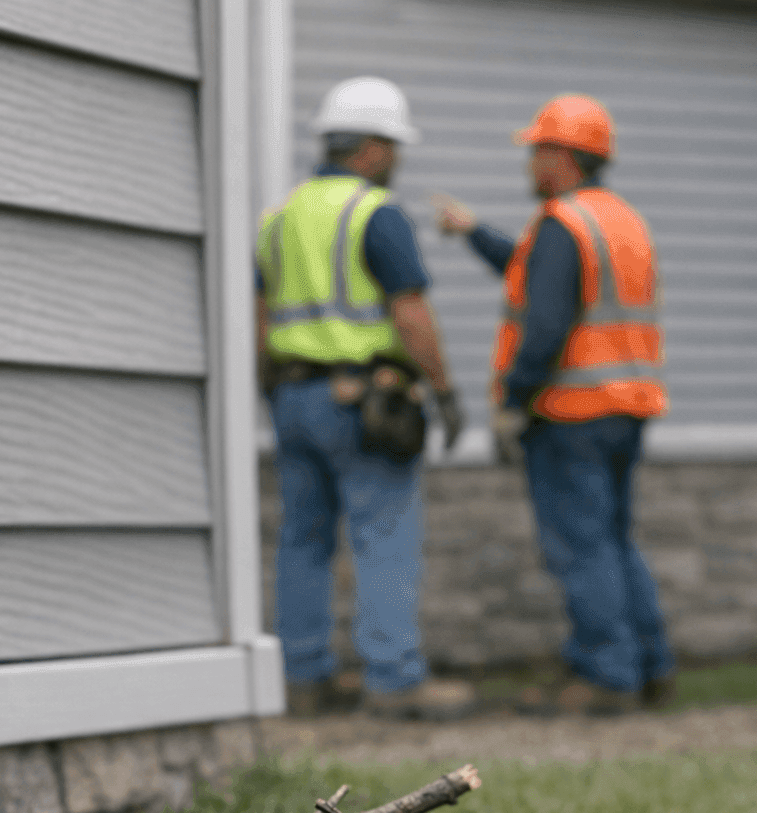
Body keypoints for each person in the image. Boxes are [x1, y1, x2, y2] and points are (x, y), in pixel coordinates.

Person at [434, 94, 675, 715]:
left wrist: (513, 401)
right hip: (626, 407)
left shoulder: (562, 224)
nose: (530, 163)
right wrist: (473, 233)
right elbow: (531, 272)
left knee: (580, 546)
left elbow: (543, 324)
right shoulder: (620, 221)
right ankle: (651, 667)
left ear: (561, 156)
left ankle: (606, 677)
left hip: (570, 413)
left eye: (536, 149)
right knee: (614, 540)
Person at [257, 76, 475, 721]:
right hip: (364, 404)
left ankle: (305, 678)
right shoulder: (374, 213)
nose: (398, 161)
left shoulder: (279, 218)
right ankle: (394, 679)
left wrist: (272, 385)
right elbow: (410, 314)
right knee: (385, 536)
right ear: (374, 148)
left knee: (303, 539)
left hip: (291, 398)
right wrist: (443, 391)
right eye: (396, 146)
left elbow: (259, 311)